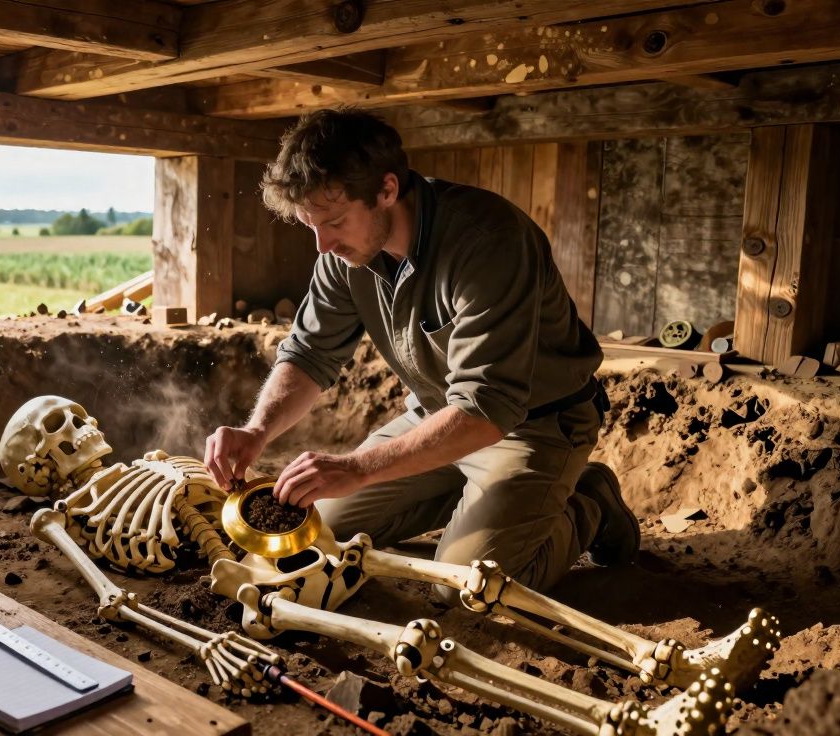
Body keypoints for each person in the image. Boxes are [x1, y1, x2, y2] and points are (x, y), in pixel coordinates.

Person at [203, 108, 639, 594]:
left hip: (530, 426)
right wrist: (256, 430)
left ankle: (590, 504)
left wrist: (355, 468)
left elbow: (486, 409)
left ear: (387, 190)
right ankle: (475, 496)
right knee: (316, 532)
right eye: (310, 226)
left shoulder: (489, 241)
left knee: (465, 587)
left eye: (334, 222)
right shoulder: (344, 252)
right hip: (437, 419)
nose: (322, 245)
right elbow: (309, 354)